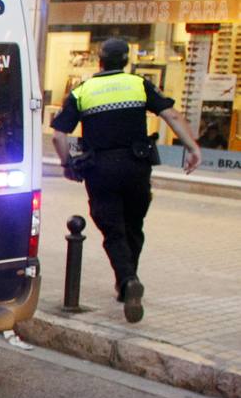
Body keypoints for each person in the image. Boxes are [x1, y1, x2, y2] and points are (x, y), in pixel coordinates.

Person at [51, 37, 201, 323]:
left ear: (100, 61)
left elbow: (59, 135)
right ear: (126, 61)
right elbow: (172, 114)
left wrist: (66, 164)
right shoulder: (138, 84)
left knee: (113, 230)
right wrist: (192, 148)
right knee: (134, 226)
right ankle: (125, 286)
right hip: (137, 166)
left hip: (101, 169)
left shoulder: (83, 90)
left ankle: (128, 280)